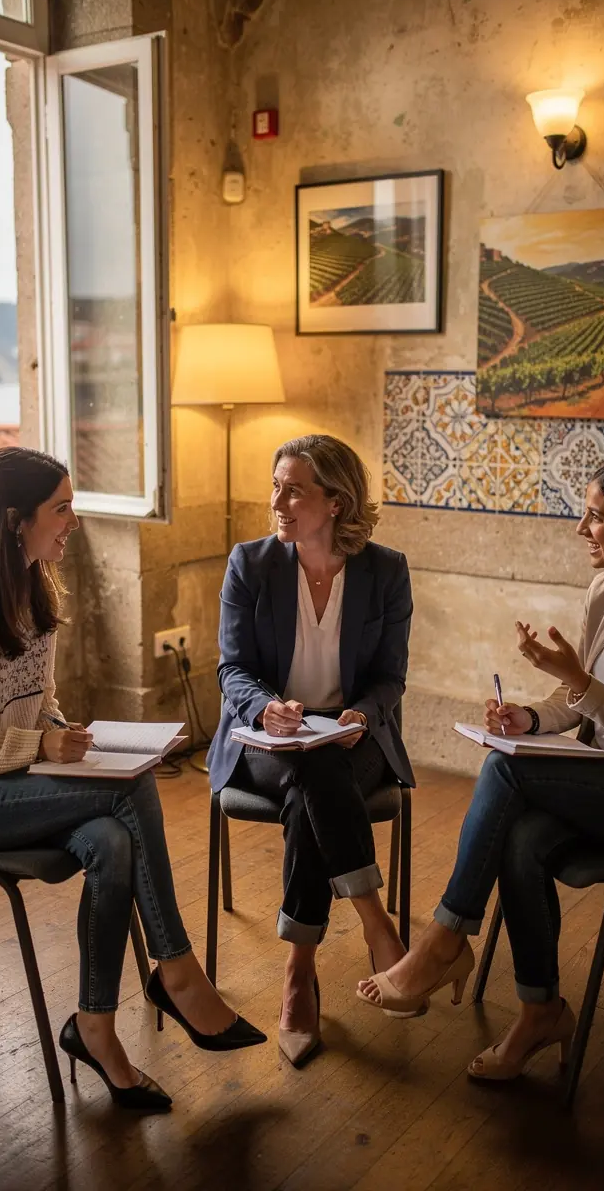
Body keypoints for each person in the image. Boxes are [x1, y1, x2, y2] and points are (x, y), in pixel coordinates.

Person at [0, 447, 265, 1114]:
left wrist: (68, 736)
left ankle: (94, 1028)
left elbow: (39, 698)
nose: (75, 522)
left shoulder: (34, 585)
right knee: (130, 786)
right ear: (13, 520)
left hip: (6, 781)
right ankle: (177, 971)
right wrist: (41, 744)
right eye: (61, 507)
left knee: (112, 842)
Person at [357, 455, 604, 1082]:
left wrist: (574, 677)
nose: (581, 528)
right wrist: (528, 717)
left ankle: (442, 941)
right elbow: (582, 704)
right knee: (523, 837)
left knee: (505, 775)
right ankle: (541, 1010)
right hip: (602, 780)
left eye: (595, 517)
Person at [207, 434, 415, 1066]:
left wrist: (363, 713)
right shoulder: (250, 564)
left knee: (314, 779)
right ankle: (377, 924)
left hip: (353, 738)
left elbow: (390, 677)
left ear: (336, 501)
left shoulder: (386, 570)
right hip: (266, 738)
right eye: (275, 485)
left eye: (293, 488)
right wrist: (267, 707)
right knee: (310, 766)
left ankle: (299, 974)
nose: (278, 500)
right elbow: (232, 668)